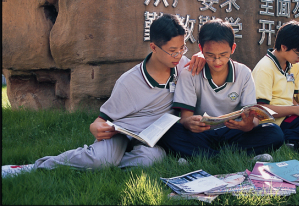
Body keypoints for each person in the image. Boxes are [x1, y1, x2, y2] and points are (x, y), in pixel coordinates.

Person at [2, 14, 206, 177]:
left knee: (149, 160)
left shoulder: (181, 65)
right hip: (122, 133)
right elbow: (101, 121)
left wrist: (201, 54)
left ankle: (107, 163)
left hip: (151, 139)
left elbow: (204, 65)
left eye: (182, 48)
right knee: (100, 159)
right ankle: (34, 167)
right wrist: (96, 127)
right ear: (153, 47)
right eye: (173, 51)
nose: (179, 55)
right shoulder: (129, 82)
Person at [158, 19, 284, 160]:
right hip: (202, 134)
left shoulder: (243, 73)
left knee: (274, 132)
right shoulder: (190, 73)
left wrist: (248, 125)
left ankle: (204, 156)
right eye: (210, 55)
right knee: (169, 132)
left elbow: (252, 118)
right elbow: (185, 118)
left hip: (233, 133)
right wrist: (189, 123)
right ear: (201, 48)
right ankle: (229, 156)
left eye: (223, 55)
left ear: (233, 48)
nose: (217, 61)